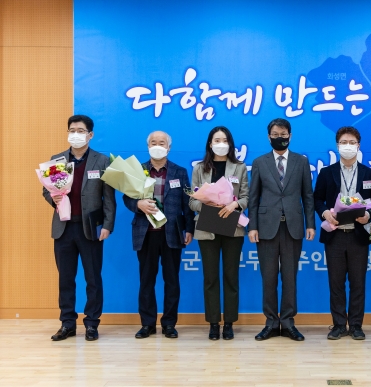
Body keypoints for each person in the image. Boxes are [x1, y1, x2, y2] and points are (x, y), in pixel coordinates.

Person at [43, 115, 116, 342]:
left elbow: (109, 198)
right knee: (66, 278)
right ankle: (67, 323)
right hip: (63, 228)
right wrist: (53, 198)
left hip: (90, 229)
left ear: (90, 135)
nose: (75, 134)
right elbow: (46, 190)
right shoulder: (57, 160)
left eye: (80, 131)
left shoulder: (102, 161)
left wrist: (107, 225)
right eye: (72, 130)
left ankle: (92, 323)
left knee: (93, 278)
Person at [248, 118, 316, 342]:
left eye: (283, 134)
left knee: (289, 277)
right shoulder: (260, 162)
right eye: (275, 134)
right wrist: (252, 226)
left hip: (293, 227)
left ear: (290, 136)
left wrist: (310, 224)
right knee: (268, 277)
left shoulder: (301, 161)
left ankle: (287, 322)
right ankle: (270, 322)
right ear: (269, 137)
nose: (280, 137)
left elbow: (307, 195)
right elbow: (253, 198)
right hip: (266, 228)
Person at [123, 131, 194, 339]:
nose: (157, 146)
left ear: (168, 147)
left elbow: (187, 203)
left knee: (172, 281)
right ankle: (147, 324)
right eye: (153, 142)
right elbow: (127, 198)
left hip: (172, 233)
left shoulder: (180, 172)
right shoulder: (138, 171)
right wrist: (138, 204)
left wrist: (189, 229)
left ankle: (169, 324)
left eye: (161, 143)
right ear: (148, 146)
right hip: (146, 233)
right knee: (146, 280)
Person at [313, 126, 371, 341]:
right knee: (336, 283)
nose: (348, 146)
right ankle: (338, 325)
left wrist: (369, 216)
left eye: (352, 142)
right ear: (337, 145)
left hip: (358, 235)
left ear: (358, 146)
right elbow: (317, 199)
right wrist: (324, 213)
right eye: (344, 142)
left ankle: (356, 325)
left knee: (358, 282)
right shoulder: (327, 172)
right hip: (335, 234)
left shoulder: (369, 173)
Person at [189, 126, 249, 341]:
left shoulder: (240, 167)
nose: (220, 143)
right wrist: (208, 206)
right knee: (210, 278)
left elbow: (246, 196)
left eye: (224, 140)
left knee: (231, 277)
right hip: (207, 226)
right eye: (217, 140)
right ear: (210, 143)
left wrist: (235, 205)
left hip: (233, 227)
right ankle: (213, 323)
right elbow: (192, 201)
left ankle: (229, 323)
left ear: (230, 144)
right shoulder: (199, 168)